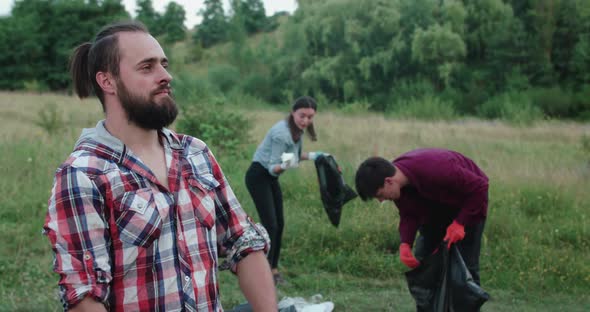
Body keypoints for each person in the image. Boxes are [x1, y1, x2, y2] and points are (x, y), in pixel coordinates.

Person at [43, 21, 277, 311]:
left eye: (164, 64)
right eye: (147, 67)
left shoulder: (195, 153)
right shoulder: (84, 174)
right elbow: (84, 296)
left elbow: (244, 244)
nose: (166, 75)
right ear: (108, 82)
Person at [354, 148, 488, 285]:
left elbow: (480, 187)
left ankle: (467, 305)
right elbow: (409, 214)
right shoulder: (398, 186)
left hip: (469, 202)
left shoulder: (436, 169)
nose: (381, 200)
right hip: (436, 208)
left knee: (465, 268)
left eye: (379, 195)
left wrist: (460, 223)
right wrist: (405, 243)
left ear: (389, 181)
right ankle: (432, 306)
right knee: (425, 260)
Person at [244, 96, 324, 285]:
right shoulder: (282, 133)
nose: (306, 121)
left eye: (310, 117)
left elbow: (294, 156)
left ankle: (273, 269)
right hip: (259, 176)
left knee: (279, 223)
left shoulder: (297, 130)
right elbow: (273, 166)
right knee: (270, 225)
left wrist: (317, 156)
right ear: (293, 112)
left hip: (270, 178)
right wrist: (290, 163)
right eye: (302, 116)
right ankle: (262, 272)